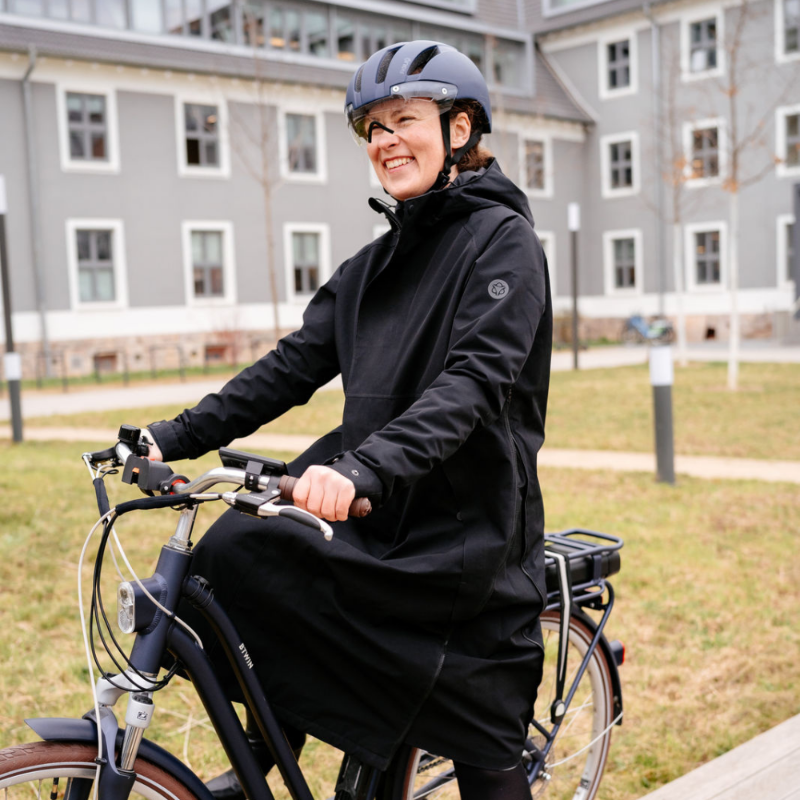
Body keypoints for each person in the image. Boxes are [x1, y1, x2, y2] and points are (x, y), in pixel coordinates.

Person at [146, 39, 553, 800]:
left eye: (405, 120)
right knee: (240, 552)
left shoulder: (505, 244)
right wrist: (170, 435)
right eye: (373, 128)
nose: (386, 141)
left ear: (459, 130)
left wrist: (361, 466)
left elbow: (471, 385)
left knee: (483, 748)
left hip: (464, 532)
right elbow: (290, 367)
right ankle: (271, 753)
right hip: (377, 511)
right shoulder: (374, 265)